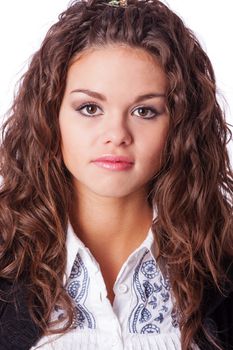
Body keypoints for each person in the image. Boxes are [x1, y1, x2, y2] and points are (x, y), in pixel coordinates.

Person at [0, 0, 232, 349]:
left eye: (144, 110)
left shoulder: (222, 269)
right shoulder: (6, 262)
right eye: (90, 108)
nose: (117, 133)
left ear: (180, 126)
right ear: (51, 115)